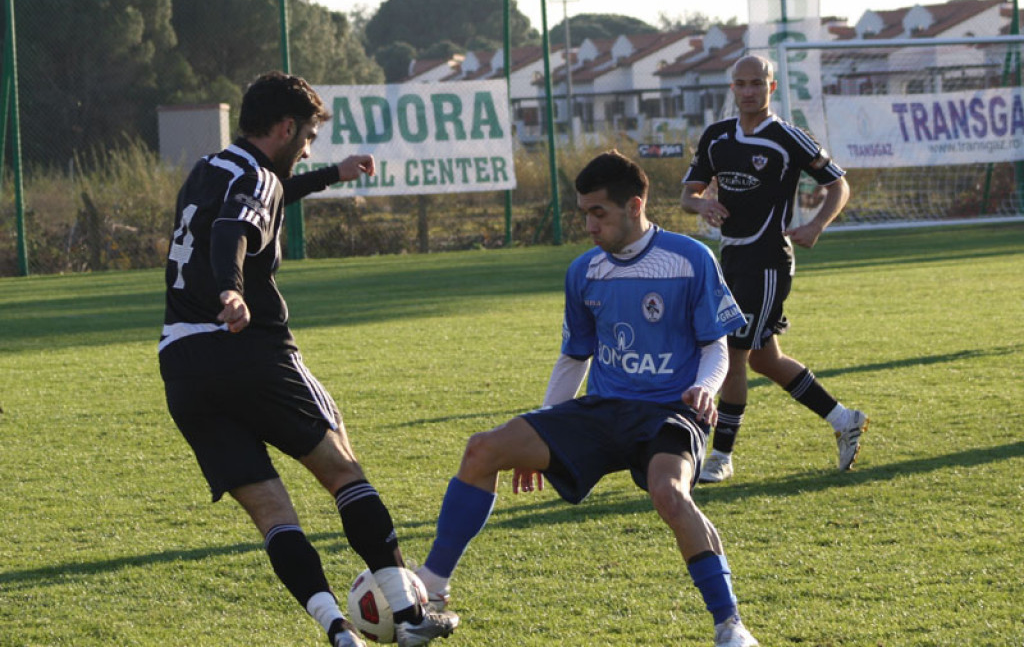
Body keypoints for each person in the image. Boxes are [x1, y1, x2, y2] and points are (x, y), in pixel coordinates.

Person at [158, 71, 458, 647]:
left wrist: (332, 175)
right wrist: (232, 290)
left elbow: (257, 203)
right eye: (307, 139)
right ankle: (409, 615)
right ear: (284, 127)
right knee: (343, 470)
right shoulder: (256, 177)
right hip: (248, 350)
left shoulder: (209, 169)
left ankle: (339, 632)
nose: (307, 150)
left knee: (273, 514)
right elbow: (234, 229)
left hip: (182, 363)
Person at [414, 150, 759, 647]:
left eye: (599, 212)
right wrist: (542, 424)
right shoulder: (584, 271)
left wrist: (706, 387)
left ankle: (730, 625)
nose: (590, 225)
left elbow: (715, 346)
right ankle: (432, 587)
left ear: (635, 205)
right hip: (603, 411)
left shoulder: (690, 259)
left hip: (671, 411)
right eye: (584, 214)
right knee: (483, 449)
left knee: (669, 493)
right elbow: (574, 358)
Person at [680, 54, 868, 483]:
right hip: (730, 260)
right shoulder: (716, 137)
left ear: (772, 87)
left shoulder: (788, 138)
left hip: (767, 262)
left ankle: (721, 456)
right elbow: (688, 195)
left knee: (732, 355)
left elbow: (838, 184)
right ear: (732, 87)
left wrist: (816, 225)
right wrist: (702, 204)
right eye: (741, 83)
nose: (748, 91)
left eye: (756, 83)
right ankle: (844, 419)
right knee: (765, 359)